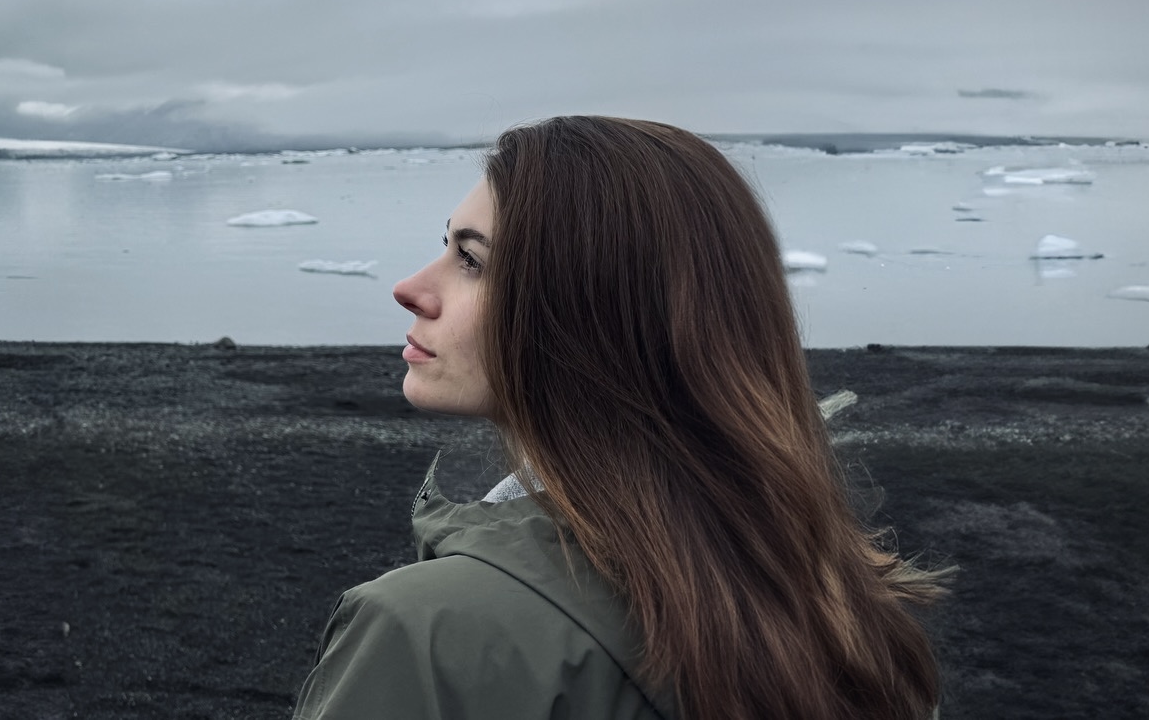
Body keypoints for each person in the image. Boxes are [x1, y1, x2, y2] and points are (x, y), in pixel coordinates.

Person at [293, 116, 946, 720]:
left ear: (584, 316)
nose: (410, 287)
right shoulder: (848, 620)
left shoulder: (426, 632)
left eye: (472, 261)